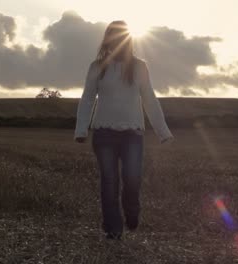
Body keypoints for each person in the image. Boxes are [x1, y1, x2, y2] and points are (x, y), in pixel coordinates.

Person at [73, 20, 174, 240]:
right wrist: (81, 129)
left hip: (133, 134)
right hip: (103, 133)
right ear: (108, 39)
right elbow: (87, 98)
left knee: (132, 179)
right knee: (109, 181)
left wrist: (162, 131)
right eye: (113, 36)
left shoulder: (139, 67)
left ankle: (132, 211)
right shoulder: (96, 67)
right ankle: (113, 228)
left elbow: (149, 99)